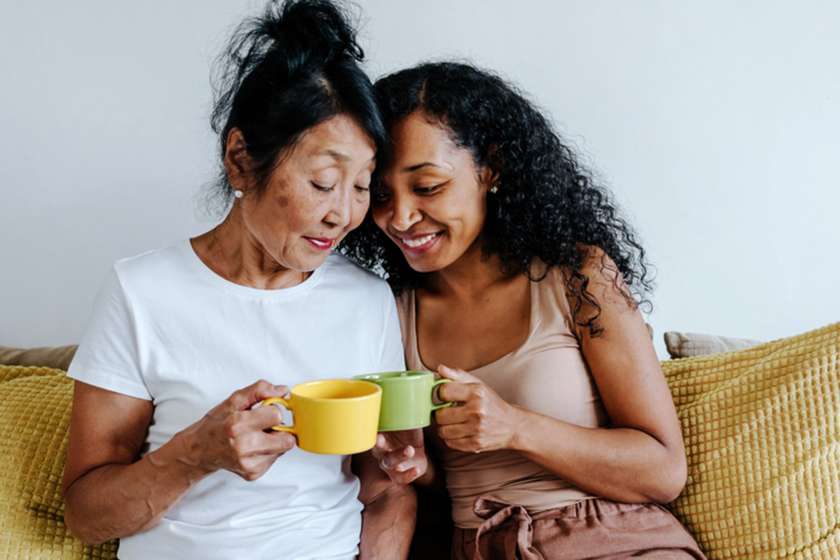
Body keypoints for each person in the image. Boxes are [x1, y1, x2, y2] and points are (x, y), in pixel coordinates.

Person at [61, 2, 415, 558]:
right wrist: (195, 454)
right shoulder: (141, 292)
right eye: (323, 182)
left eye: (362, 185)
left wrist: (396, 465)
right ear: (241, 159)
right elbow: (86, 515)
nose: (343, 214)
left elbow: (388, 492)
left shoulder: (368, 301)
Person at [341, 62, 707, 559]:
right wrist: (409, 465)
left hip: (614, 542)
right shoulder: (390, 310)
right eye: (381, 194)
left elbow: (662, 472)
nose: (401, 217)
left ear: (490, 168)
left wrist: (514, 426)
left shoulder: (577, 276)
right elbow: (435, 483)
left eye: (427, 187)